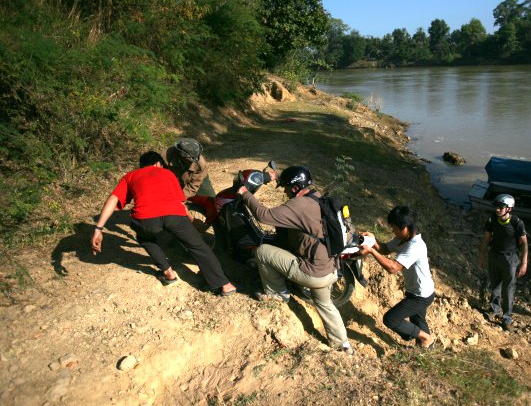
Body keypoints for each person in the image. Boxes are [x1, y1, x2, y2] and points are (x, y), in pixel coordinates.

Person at [236, 165, 354, 355]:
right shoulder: (318, 198)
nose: (284, 192)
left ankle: (277, 295)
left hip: (313, 273)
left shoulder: (299, 205)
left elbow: (264, 217)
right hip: (330, 268)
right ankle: (343, 345)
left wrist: (245, 194)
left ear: (294, 188)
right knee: (325, 305)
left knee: (263, 251)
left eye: (285, 188)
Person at [90, 151, 236, 296]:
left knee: (145, 237)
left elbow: (113, 199)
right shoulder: (168, 174)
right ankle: (225, 284)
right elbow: (180, 202)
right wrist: (192, 220)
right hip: (175, 217)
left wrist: (98, 229)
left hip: (146, 219)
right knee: (198, 246)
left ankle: (168, 273)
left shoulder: (130, 176)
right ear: (158, 163)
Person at [359, 206, 436, 348]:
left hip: (420, 296)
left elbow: (393, 268)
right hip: (418, 291)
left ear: (405, 227)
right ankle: (426, 348)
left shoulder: (415, 246)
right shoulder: (402, 239)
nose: (392, 230)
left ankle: (427, 339)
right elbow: (384, 249)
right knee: (418, 323)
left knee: (391, 319)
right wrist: (373, 240)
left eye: (394, 227)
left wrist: (370, 251)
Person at [477, 194, 528, 331]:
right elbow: (486, 239)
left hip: (510, 259)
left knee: (508, 289)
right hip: (494, 256)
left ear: (509, 209)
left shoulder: (517, 223)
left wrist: (524, 263)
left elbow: (523, 243)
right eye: (496, 207)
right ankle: (494, 309)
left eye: (501, 207)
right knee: (495, 285)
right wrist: (482, 257)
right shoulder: (492, 219)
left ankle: (507, 318)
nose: (497, 209)